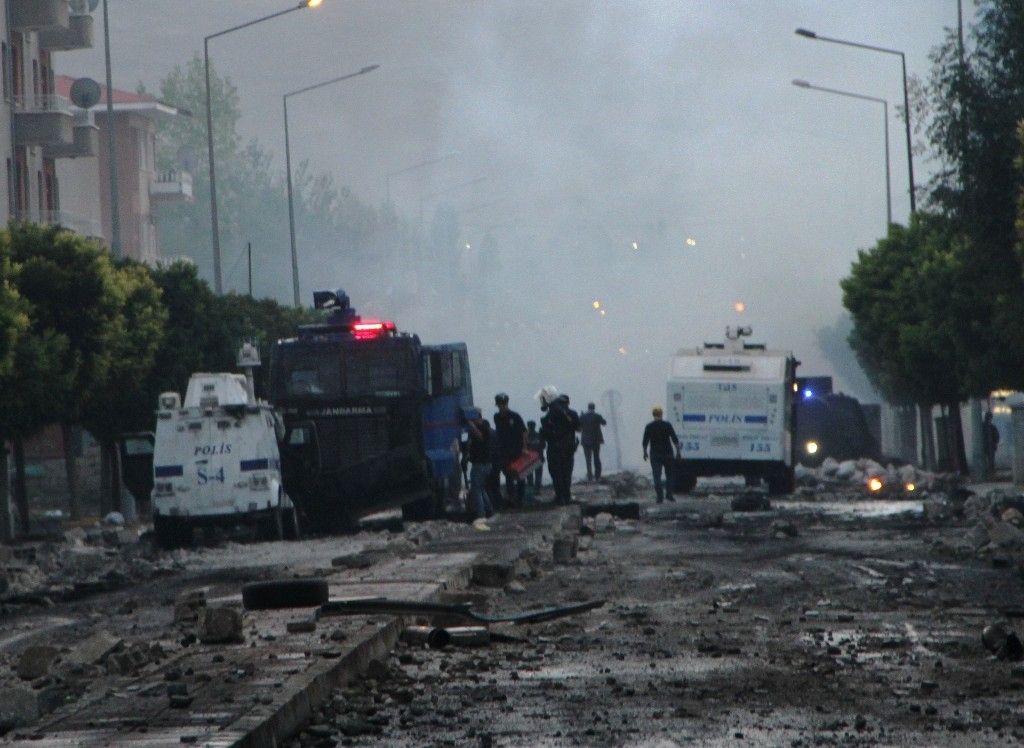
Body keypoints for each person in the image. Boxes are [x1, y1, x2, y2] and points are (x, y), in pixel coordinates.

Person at [539, 388, 580, 505]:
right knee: (566, 472)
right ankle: (565, 496)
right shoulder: (571, 413)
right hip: (568, 448)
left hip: (555, 448)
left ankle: (560, 496)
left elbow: (545, 433)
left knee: (556, 473)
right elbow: (578, 428)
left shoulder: (551, 414)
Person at [492, 393, 527, 507]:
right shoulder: (496, 417)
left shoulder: (515, 416)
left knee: (520, 475)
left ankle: (520, 498)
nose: (502, 406)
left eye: (503, 404)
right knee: (508, 474)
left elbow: (524, 432)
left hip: (517, 449)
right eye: (500, 404)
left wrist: (524, 447)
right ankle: (511, 498)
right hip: (504, 450)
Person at [460, 408, 493, 520]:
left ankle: (481, 514)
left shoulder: (483, 427)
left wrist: (471, 424)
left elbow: (480, 436)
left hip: (481, 464)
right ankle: (488, 510)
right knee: (480, 488)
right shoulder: (478, 429)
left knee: (476, 490)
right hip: (482, 464)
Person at [642, 406, 680, 503]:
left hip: (655, 454)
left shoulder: (649, 426)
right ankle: (669, 495)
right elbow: (674, 438)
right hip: (668, 453)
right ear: (661, 414)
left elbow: (645, 441)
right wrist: (678, 451)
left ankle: (660, 497)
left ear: (653, 415)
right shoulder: (667, 425)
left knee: (656, 476)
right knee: (669, 475)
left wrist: (645, 452)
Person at [578, 402, 607, 481]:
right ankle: (597, 475)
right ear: (594, 408)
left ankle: (590, 476)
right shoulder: (597, 416)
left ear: (588, 408)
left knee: (588, 459)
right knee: (596, 458)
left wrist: (581, 416)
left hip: (586, 440)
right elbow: (604, 423)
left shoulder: (583, 416)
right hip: (596, 440)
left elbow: (578, 426)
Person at [526, 420, 545, 494]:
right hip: (537, 457)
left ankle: (533, 490)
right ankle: (537, 490)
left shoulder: (526, 436)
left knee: (531, 475)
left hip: (530, 458)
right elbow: (543, 445)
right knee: (537, 475)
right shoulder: (539, 435)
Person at [983, 410, 1000, 478]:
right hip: (986, 446)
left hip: (989, 446)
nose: (990, 419)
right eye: (989, 417)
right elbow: (997, 436)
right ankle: (989, 471)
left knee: (990, 459)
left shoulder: (991, 427)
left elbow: (997, 436)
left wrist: (995, 443)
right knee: (989, 459)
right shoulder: (988, 426)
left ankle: (990, 471)